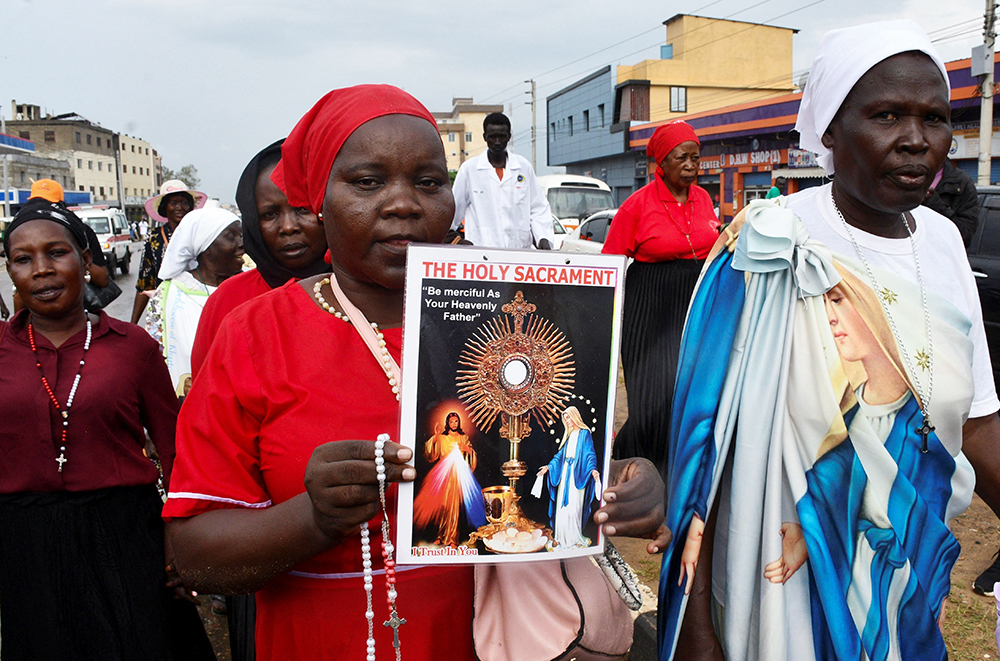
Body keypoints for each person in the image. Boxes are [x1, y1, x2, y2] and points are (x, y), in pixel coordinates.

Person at [163, 84, 667, 661]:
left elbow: (548, 460)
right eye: (367, 182)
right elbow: (194, 551)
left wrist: (624, 479)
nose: (403, 203)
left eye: (428, 183)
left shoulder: (518, 312)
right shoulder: (255, 334)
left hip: (492, 639)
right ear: (319, 201)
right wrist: (312, 518)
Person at [659, 21, 1000, 661]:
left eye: (935, 118)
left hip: (903, 572)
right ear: (830, 132)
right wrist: (697, 634)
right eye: (887, 115)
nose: (916, 140)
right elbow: (706, 455)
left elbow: (977, 419)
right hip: (779, 588)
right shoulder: (763, 243)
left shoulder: (944, 243)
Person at [0, 200, 214, 660]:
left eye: (56, 253)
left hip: (126, 534)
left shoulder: (132, 347)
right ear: (11, 271)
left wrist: (179, 541)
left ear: (86, 259)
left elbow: (176, 451)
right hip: (24, 542)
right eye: (23, 259)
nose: (41, 270)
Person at [600, 120, 718, 471]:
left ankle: (682, 468)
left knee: (691, 389)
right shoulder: (637, 205)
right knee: (654, 393)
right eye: (682, 157)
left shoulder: (704, 198)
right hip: (649, 306)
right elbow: (613, 262)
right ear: (661, 164)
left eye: (696, 157)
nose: (691, 165)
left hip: (695, 303)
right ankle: (644, 469)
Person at [189, 139, 328, 378]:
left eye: (302, 209)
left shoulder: (366, 292)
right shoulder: (228, 301)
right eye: (270, 214)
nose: (288, 227)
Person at [149, 207, 243, 395]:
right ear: (205, 246)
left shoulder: (251, 286)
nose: (241, 244)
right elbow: (155, 355)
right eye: (231, 236)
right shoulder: (170, 293)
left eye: (241, 236)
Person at [451, 112, 555, 250]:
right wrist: (451, 238)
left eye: (502, 136)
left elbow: (538, 208)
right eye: (492, 137)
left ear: (509, 137)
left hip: (519, 253)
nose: (497, 142)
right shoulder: (469, 170)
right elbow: (453, 210)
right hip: (481, 254)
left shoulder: (523, 167)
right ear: (485, 137)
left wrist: (543, 237)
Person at [131, 180, 208, 325]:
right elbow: (145, 282)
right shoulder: (154, 237)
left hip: (197, 306)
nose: (179, 207)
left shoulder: (200, 234)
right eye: (173, 203)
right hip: (165, 308)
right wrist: (132, 324)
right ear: (164, 207)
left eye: (184, 202)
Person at [412, 412, 486, 547]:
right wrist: (435, 437)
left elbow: (471, 457)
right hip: (443, 475)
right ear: (448, 423)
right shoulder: (442, 438)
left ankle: (452, 539)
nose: (454, 424)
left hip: (457, 475)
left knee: (453, 508)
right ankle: (440, 536)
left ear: (459, 423)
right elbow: (430, 454)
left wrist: (468, 450)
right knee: (442, 507)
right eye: (451, 422)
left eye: (456, 421)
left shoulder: (463, 438)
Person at [537, 406, 601, 549]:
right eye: (565, 419)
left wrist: (592, 470)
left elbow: (589, 454)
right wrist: (549, 467)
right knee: (562, 506)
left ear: (575, 417)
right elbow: (560, 456)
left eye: (569, 417)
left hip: (577, 474)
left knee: (574, 505)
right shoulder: (569, 435)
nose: (568, 421)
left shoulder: (584, 434)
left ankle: (574, 538)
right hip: (565, 472)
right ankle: (560, 537)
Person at [923, 157, 979, 248]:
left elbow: (965, 236)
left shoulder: (962, 182)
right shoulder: (900, 176)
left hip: (941, 256)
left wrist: (936, 205)